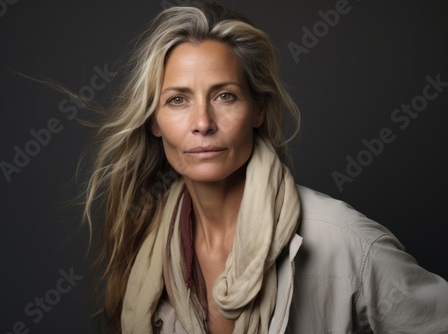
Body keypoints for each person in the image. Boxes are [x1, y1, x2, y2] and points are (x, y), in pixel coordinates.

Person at [81, 1, 448, 333]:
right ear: (154, 122)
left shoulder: (345, 241)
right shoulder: (149, 247)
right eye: (177, 100)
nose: (203, 122)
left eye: (225, 96)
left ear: (257, 110)